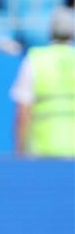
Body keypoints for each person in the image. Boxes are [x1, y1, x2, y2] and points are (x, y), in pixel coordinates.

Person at [10, 8, 75, 158]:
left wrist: (20, 151)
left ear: (50, 31)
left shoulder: (35, 60)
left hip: (42, 151)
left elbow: (23, 112)